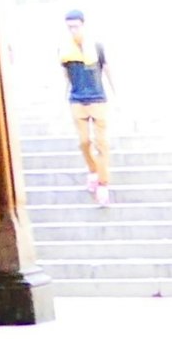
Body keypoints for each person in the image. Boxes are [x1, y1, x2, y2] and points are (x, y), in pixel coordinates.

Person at [59, 10, 112, 205]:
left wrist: (114, 91)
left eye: (76, 26)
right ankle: (92, 170)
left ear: (83, 25)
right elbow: (65, 74)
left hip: (97, 98)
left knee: (101, 143)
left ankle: (103, 182)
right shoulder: (64, 49)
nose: (73, 30)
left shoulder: (96, 46)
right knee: (83, 142)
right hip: (77, 99)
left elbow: (106, 68)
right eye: (70, 27)